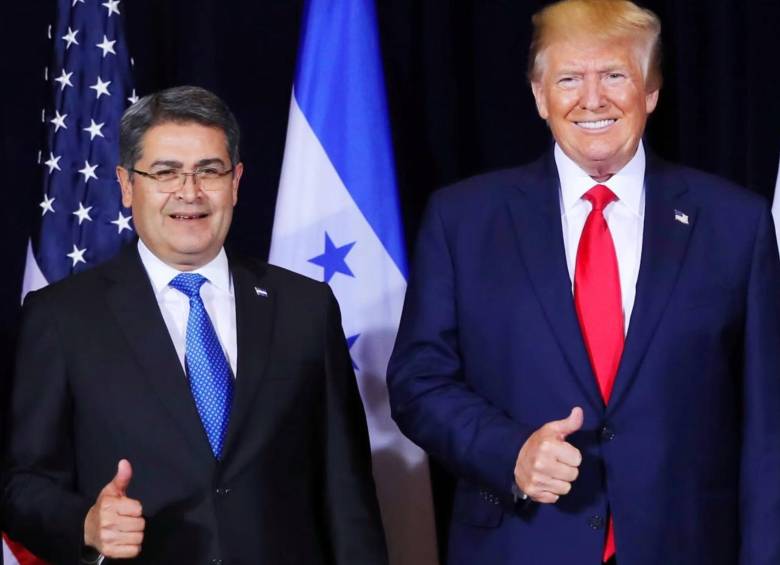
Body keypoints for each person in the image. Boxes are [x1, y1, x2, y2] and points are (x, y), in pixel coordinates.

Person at [387, 1, 780, 564]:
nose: (592, 99)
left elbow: (769, 427)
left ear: (650, 91)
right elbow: (418, 381)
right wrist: (511, 451)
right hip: (520, 543)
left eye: (615, 75)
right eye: (569, 78)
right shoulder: (464, 220)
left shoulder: (735, 224)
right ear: (540, 95)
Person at [2, 86, 388, 564]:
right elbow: (25, 484)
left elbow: (345, 488)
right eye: (165, 173)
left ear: (236, 181)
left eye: (209, 171)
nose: (190, 192)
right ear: (126, 185)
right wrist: (85, 523)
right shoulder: (61, 317)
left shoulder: (306, 307)